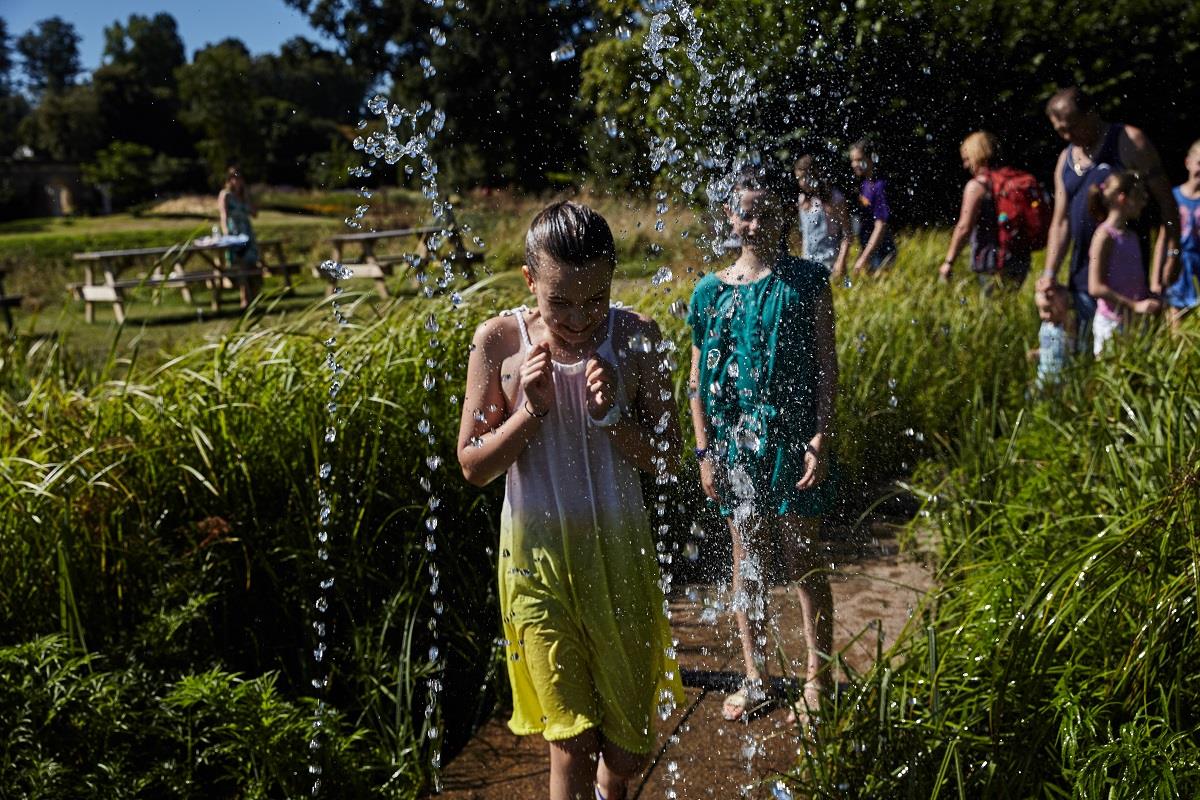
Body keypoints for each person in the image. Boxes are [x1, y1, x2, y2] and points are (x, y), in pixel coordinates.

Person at [456, 201, 684, 800]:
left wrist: (612, 416)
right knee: (571, 742)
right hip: (537, 566)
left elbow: (667, 460)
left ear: (611, 278)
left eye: (595, 299)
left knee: (628, 751)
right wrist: (531, 410)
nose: (580, 319)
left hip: (619, 564)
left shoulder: (636, 338)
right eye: (561, 303)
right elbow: (473, 465)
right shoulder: (500, 342)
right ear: (530, 281)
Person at [687, 163, 838, 727]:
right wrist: (705, 452)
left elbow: (827, 367)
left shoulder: (808, 280)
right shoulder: (709, 292)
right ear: (730, 216)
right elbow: (698, 381)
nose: (754, 224)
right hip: (734, 448)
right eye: (745, 213)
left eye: (767, 214)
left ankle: (817, 676)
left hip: (794, 444)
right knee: (747, 556)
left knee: (803, 558)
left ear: (785, 218)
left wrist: (822, 435)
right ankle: (756, 675)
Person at [1039, 87, 1179, 351]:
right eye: (1060, 131)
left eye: (1072, 127)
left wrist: (1173, 253)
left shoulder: (1128, 141)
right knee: (1084, 356)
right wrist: (1050, 273)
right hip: (1084, 281)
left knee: (1128, 356)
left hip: (1129, 282)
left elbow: (1166, 204)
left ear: (1091, 114)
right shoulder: (1065, 160)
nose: (1067, 136)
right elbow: (1061, 222)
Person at [938, 131, 1033, 289]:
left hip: (991, 261)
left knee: (992, 309)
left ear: (978, 155)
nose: (965, 165)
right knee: (1008, 307)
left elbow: (964, 227)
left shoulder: (977, 186)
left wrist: (949, 262)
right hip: (1019, 258)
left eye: (967, 159)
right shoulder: (1010, 181)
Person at [1087, 171, 1161, 356]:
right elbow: (1095, 287)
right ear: (1123, 199)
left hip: (1134, 323)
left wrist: (1150, 296)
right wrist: (1134, 305)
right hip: (1111, 323)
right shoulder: (1103, 236)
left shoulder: (1131, 237)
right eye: (1139, 197)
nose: (1144, 203)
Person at [1156, 138, 1200, 326]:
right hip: (1176, 268)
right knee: (1175, 326)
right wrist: (1156, 280)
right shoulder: (1174, 197)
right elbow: (1162, 240)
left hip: (1198, 267)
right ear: (1188, 163)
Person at [794, 154, 851, 279]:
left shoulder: (835, 199)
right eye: (799, 179)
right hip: (808, 264)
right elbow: (804, 236)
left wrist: (841, 262)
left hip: (830, 264)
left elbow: (847, 235)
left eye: (805, 177)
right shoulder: (802, 200)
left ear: (815, 174)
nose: (802, 183)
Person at [848, 139, 897, 273]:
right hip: (870, 249)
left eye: (859, 160)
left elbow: (880, 226)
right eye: (852, 160)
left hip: (881, 251)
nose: (854, 164)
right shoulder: (864, 184)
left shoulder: (879, 186)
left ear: (871, 158)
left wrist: (864, 257)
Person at [217, 165, 260, 305]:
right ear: (229, 180)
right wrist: (226, 234)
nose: (237, 181)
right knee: (241, 266)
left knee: (252, 264)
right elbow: (223, 215)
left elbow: (254, 214)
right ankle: (244, 300)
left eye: (239, 178)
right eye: (234, 178)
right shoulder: (226, 195)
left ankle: (253, 299)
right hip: (234, 233)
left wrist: (247, 196)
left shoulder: (243, 196)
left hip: (247, 233)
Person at [1029, 281, 1072, 390]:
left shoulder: (1066, 326)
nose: (1045, 315)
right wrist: (1037, 353)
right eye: (1041, 310)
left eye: (1049, 309)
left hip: (1062, 376)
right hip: (1043, 375)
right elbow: (1046, 348)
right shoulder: (1045, 326)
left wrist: (1055, 297)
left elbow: (1062, 311)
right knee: (1032, 396)